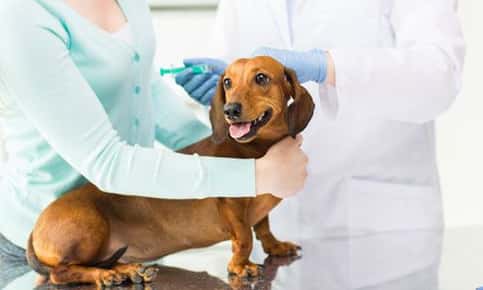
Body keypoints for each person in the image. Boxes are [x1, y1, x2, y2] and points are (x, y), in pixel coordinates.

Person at [0, 0, 309, 261]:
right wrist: (253, 175)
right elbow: (107, 162)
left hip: (127, 231)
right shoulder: (21, 16)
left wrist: (227, 141)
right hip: (48, 244)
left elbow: (146, 89)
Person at [176, 0, 465, 238]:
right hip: (277, 223)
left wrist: (326, 66)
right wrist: (221, 97)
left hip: (380, 234)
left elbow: (438, 75)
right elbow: (233, 74)